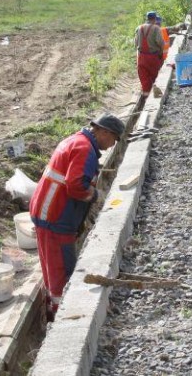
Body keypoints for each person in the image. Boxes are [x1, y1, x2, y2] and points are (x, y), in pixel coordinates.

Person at [29, 113, 125, 321]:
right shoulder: (84, 150)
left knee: (51, 270)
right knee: (61, 274)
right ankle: (61, 320)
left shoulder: (75, 140)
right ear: (103, 132)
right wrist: (95, 196)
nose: (111, 146)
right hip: (56, 218)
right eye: (113, 139)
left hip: (47, 212)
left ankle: (51, 315)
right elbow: (75, 186)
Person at [134, 11, 186, 99]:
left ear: (147, 18)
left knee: (144, 77)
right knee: (155, 77)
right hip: (153, 57)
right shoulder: (156, 28)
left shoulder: (139, 28)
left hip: (141, 57)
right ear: (154, 19)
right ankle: (154, 96)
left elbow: (135, 43)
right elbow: (160, 43)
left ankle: (145, 96)